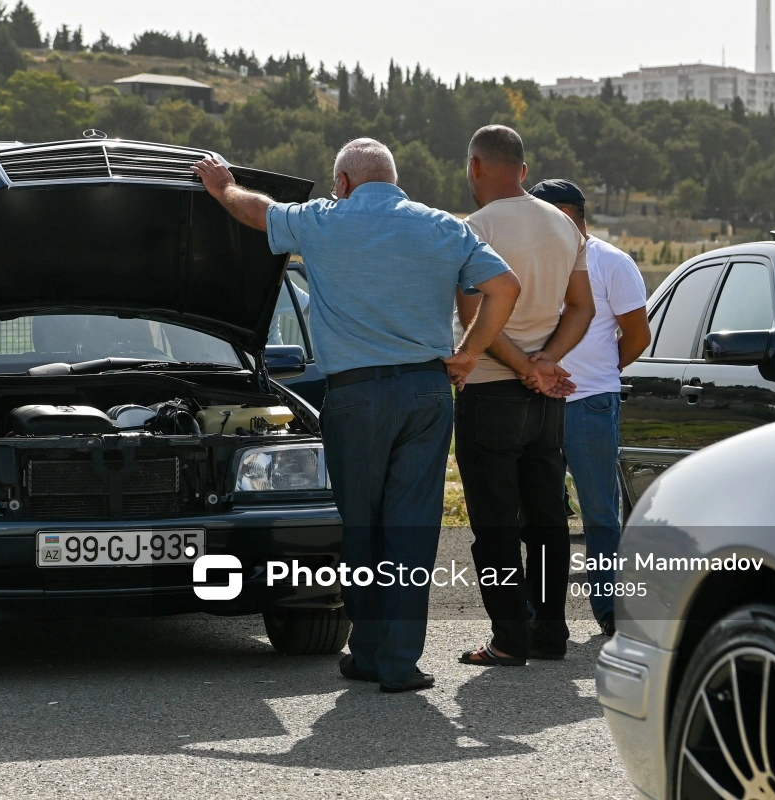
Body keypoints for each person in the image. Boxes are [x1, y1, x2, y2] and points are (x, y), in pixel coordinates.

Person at [193, 139, 521, 692]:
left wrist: (222, 184)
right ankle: (396, 662)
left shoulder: (324, 220)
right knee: (412, 528)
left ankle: (368, 649)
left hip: (356, 394)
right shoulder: (443, 225)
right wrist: (469, 352)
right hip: (426, 391)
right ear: (393, 179)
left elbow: (256, 211)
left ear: (342, 182)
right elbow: (504, 286)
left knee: (362, 528)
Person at [453, 126, 595, 667]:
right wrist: (545, 362)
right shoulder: (564, 224)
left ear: (475, 167)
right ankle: (551, 631)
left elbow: (474, 320)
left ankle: (508, 637)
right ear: (525, 171)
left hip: (492, 392)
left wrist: (522, 368)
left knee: (494, 525)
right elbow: (582, 307)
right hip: (547, 399)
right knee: (547, 520)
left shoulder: (476, 228)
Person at [528, 179, 651, 637]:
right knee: (538, 513)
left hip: (590, 402)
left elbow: (637, 336)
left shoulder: (612, 262)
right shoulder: (527, 262)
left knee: (599, 511)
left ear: (568, 213)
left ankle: (609, 607)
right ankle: (539, 610)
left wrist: (601, 370)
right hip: (534, 401)